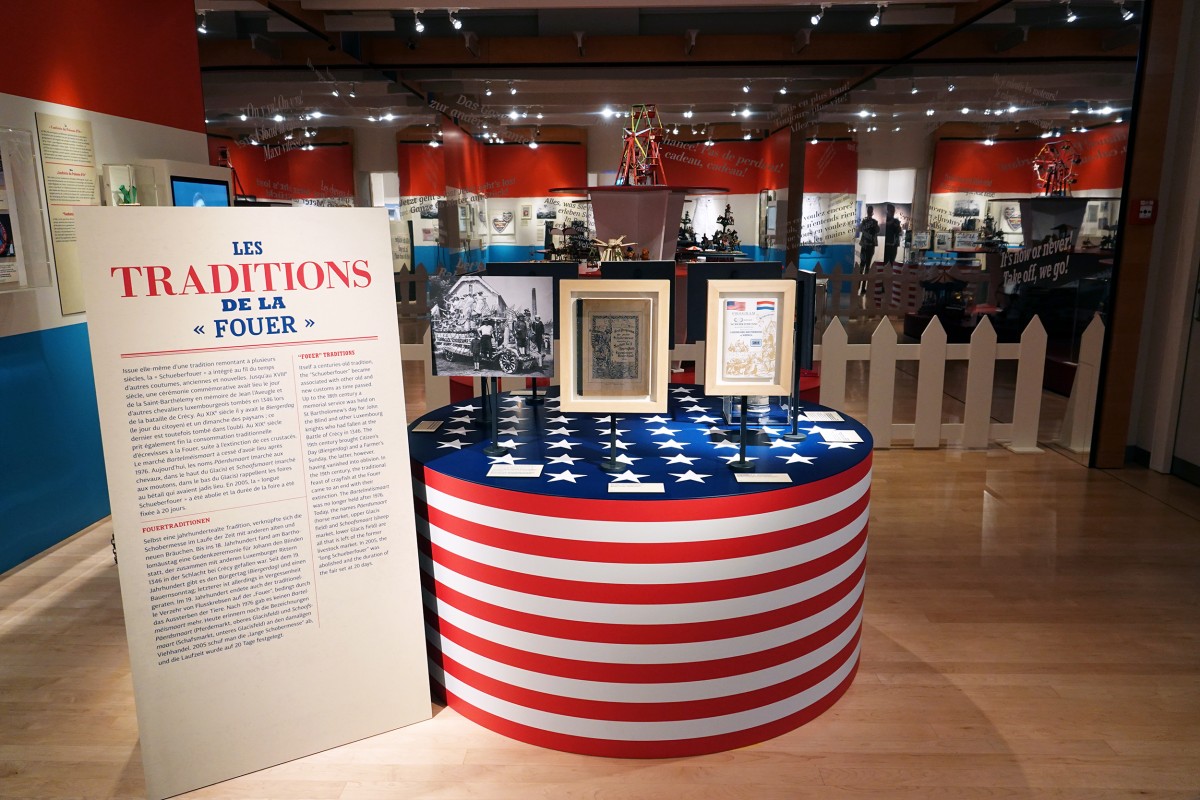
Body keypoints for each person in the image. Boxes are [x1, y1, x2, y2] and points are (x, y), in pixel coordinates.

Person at [857, 205, 879, 296]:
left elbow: (877, 230)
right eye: (868, 210)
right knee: (862, 266)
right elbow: (860, 229)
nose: (869, 212)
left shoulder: (874, 222)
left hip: (870, 246)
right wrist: (864, 222)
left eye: (870, 210)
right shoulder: (864, 221)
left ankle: (863, 288)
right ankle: (858, 286)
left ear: (872, 211)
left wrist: (871, 224)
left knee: (867, 267)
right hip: (865, 246)